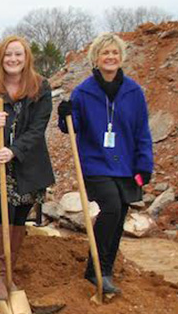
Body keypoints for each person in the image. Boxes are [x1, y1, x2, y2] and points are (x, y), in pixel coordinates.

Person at [58, 33, 153, 295]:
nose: (110, 57)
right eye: (105, 53)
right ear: (96, 58)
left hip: (126, 164)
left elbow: (142, 131)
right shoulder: (84, 91)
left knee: (120, 213)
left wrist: (145, 165)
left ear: (121, 57)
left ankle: (106, 269)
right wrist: (65, 115)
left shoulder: (134, 92)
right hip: (95, 164)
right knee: (110, 207)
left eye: (114, 53)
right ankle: (94, 270)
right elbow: (72, 126)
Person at [0, 35, 55, 300]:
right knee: (2, 213)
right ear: (0, 57)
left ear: (26, 57)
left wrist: (15, 150)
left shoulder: (41, 87)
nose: (13, 59)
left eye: (18, 55)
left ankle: (9, 270)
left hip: (27, 163)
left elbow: (37, 128)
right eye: (8, 55)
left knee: (20, 216)